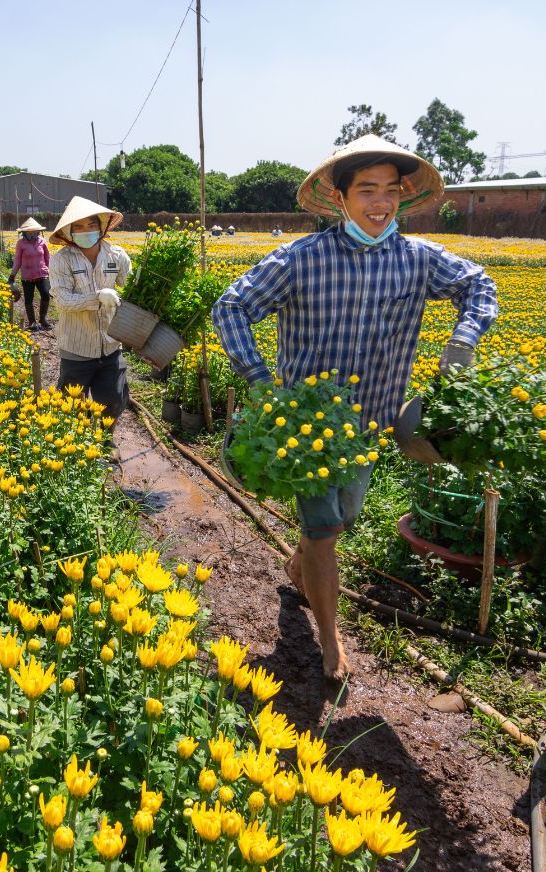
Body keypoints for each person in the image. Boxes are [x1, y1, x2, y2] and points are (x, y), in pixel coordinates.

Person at [212, 135, 497, 683]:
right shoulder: (301, 259)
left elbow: (479, 286)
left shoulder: (418, 260)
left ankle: (299, 566)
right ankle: (329, 639)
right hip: (308, 432)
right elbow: (233, 306)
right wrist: (261, 384)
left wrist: (461, 344)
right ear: (340, 198)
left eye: (391, 191)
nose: (381, 202)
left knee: (338, 522)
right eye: (367, 190)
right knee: (324, 531)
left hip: (372, 425)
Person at [49, 196, 133, 424]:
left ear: (102, 227)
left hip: (110, 343)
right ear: (69, 232)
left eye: (91, 224)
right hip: (76, 346)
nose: (86, 230)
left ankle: (106, 442)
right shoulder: (61, 260)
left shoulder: (116, 255)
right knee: (72, 405)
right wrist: (97, 297)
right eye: (79, 226)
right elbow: (63, 300)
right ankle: (76, 451)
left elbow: (131, 289)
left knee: (114, 400)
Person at [6, 217, 51, 331]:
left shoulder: (42, 241)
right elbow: (17, 261)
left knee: (46, 294)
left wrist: (52, 271)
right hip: (27, 276)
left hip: (42, 273)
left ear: (38, 231)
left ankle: (43, 319)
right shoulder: (21, 244)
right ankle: (32, 322)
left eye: (34, 231)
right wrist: (12, 276)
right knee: (29, 299)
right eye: (29, 232)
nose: (32, 233)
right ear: (24, 232)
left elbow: (47, 258)